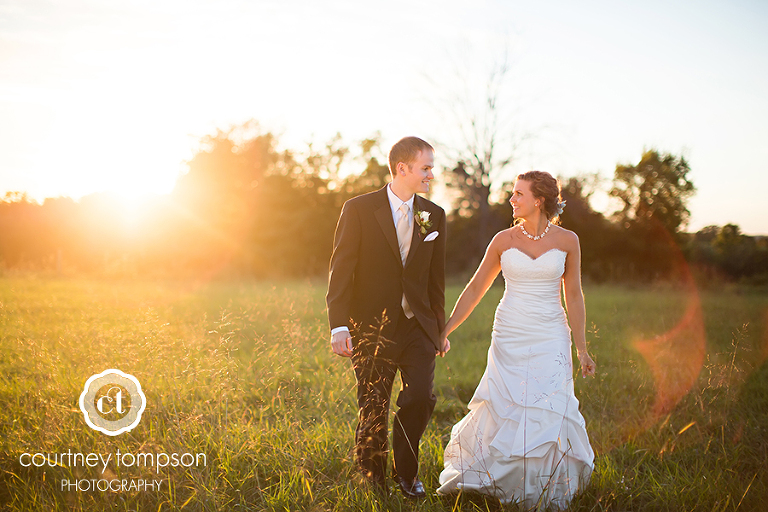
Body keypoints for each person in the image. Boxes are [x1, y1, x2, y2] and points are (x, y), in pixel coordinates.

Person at [436, 170, 596, 509]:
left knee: (548, 405)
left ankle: (545, 482)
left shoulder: (568, 241)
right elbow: (476, 287)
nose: (512, 199)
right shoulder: (502, 240)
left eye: (518, 194)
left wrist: (581, 349)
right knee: (505, 405)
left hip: (551, 332)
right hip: (509, 331)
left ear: (538, 200)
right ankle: (499, 478)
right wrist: (446, 329)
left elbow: (575, 296)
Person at [326, 136, 448, 499]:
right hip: (371, 326)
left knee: (421, 399)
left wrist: (438, 329)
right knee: (373, 403)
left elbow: (435, 280)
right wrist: (338, 324)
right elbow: (341, 269)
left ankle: (407, 474)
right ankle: (373, 477)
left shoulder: (434, 214)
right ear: (402, 169)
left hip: (417, 328)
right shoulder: (359, 209)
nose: (430, 174)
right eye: (426, 167)